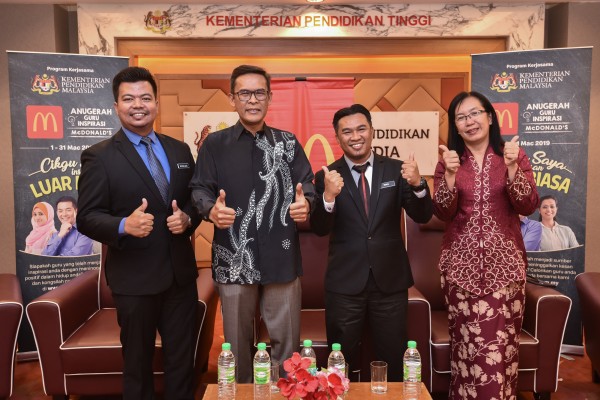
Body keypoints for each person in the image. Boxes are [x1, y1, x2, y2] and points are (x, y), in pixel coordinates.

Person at [76, 66, 201, 400]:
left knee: (181, 364)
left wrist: (188, 218)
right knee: (137, 364)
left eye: (145, 98)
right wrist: (123, 225)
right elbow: (86, 217)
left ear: (156, 103)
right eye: (128, 99)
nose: (138, 105)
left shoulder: (179, 150)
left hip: (179, 278)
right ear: (116, 106)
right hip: (134, 280)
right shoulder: (99, 157)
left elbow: (194, 200)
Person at [189, 64, 315, 383]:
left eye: (259, 92)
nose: (253, 99)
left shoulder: (288, 142)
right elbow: (199, 188)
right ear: (232, 99)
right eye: (244, 93)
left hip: (281, 258)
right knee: (236, 347)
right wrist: (210, 210)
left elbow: (308, 186)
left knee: (287, 347)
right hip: (233, 257)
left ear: (270, 97)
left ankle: (285, 392)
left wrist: (307, 203)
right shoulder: (214, 144)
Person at [310, 104, 433, 382]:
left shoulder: (396, 170)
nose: (355, 136)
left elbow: (423, 215)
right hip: (344, 284)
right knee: (340, 365)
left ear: (372, 131)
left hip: (389, 283)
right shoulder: (326, 176)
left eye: (361, 129)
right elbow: (319, 228)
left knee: (393, 359)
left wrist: (418, 185)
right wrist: (328, 197)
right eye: (347, 132)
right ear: (337, 137)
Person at [433, 91, 539, 399]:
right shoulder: (450, 161)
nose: (470, 122)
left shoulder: (512, 155)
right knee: (467, 351)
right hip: (460, 272)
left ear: (490, 117)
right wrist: (449, 175)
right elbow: (442, 212)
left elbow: (528, 204)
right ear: (455, 125)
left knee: (500, 353)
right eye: (461, 117)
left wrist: (513, 168)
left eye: (475, 113)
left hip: (505, 271)